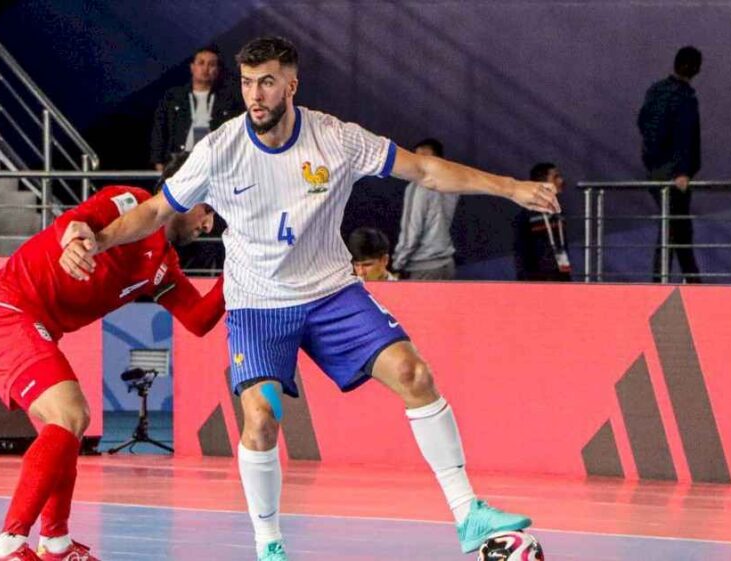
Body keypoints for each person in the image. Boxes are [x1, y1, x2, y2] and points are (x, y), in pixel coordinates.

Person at [60, 36, 559, 560]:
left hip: (330, 292)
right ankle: (269, 546)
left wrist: (510, 187)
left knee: (415, 374)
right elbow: (157, 211)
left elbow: (426, 170)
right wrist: (99, 236)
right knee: (261, 418)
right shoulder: (219, 149)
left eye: (268, 82)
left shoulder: (336, 139)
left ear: (291, 85)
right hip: (257, 303)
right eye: (248, 83)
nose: (256, 95)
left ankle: (469, 515)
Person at [0, 155, 224, 561]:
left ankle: (55, 544)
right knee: (70, 414)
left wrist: (244, 267)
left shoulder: (163, 265)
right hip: (3, 310)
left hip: (37, 325)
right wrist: (72, 241)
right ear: (184, 190)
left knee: (67, 428)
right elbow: (79, 221)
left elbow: (199, 319)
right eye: (208, 210)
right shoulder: (130, 202)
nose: (208, 225)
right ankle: (8, 545)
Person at [638, 46, 702, 283]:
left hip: (655, 170)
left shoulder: (655, 91)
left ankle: (685, 279)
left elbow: (643, 123)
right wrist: (682, 170)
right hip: (675, 173)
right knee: (676, 227)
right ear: (689, 66)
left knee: (674, 226)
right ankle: (676, 280)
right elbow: (685, 136)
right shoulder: (683, 97)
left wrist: (652, 159)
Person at [150, 45, 243, 171]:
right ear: (192, 67)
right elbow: (160, 130)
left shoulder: (228, 100)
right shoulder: (174, 97)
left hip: (214, 162)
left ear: (217, 70)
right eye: (201, 63)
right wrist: (158, 161)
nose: (205, 68)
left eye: (211, 64)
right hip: (178, 161)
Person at [392, 138, 459, 280]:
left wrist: (397, 264)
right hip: (446, 265)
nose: (420, 163)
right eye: (417, 158)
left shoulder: (418, 187)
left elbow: (412, 232)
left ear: (438, 161)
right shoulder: (453, 185)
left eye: (425, 159)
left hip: (423, 268)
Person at [514, 162, 571, 281]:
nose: (561, 181)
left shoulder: (558, 211)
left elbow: (561, 243)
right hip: (536, 280)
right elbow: (521, 252)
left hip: (561, 273)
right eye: (556, 177)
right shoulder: (526, 215)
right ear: (543, 183)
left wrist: (566, 275)